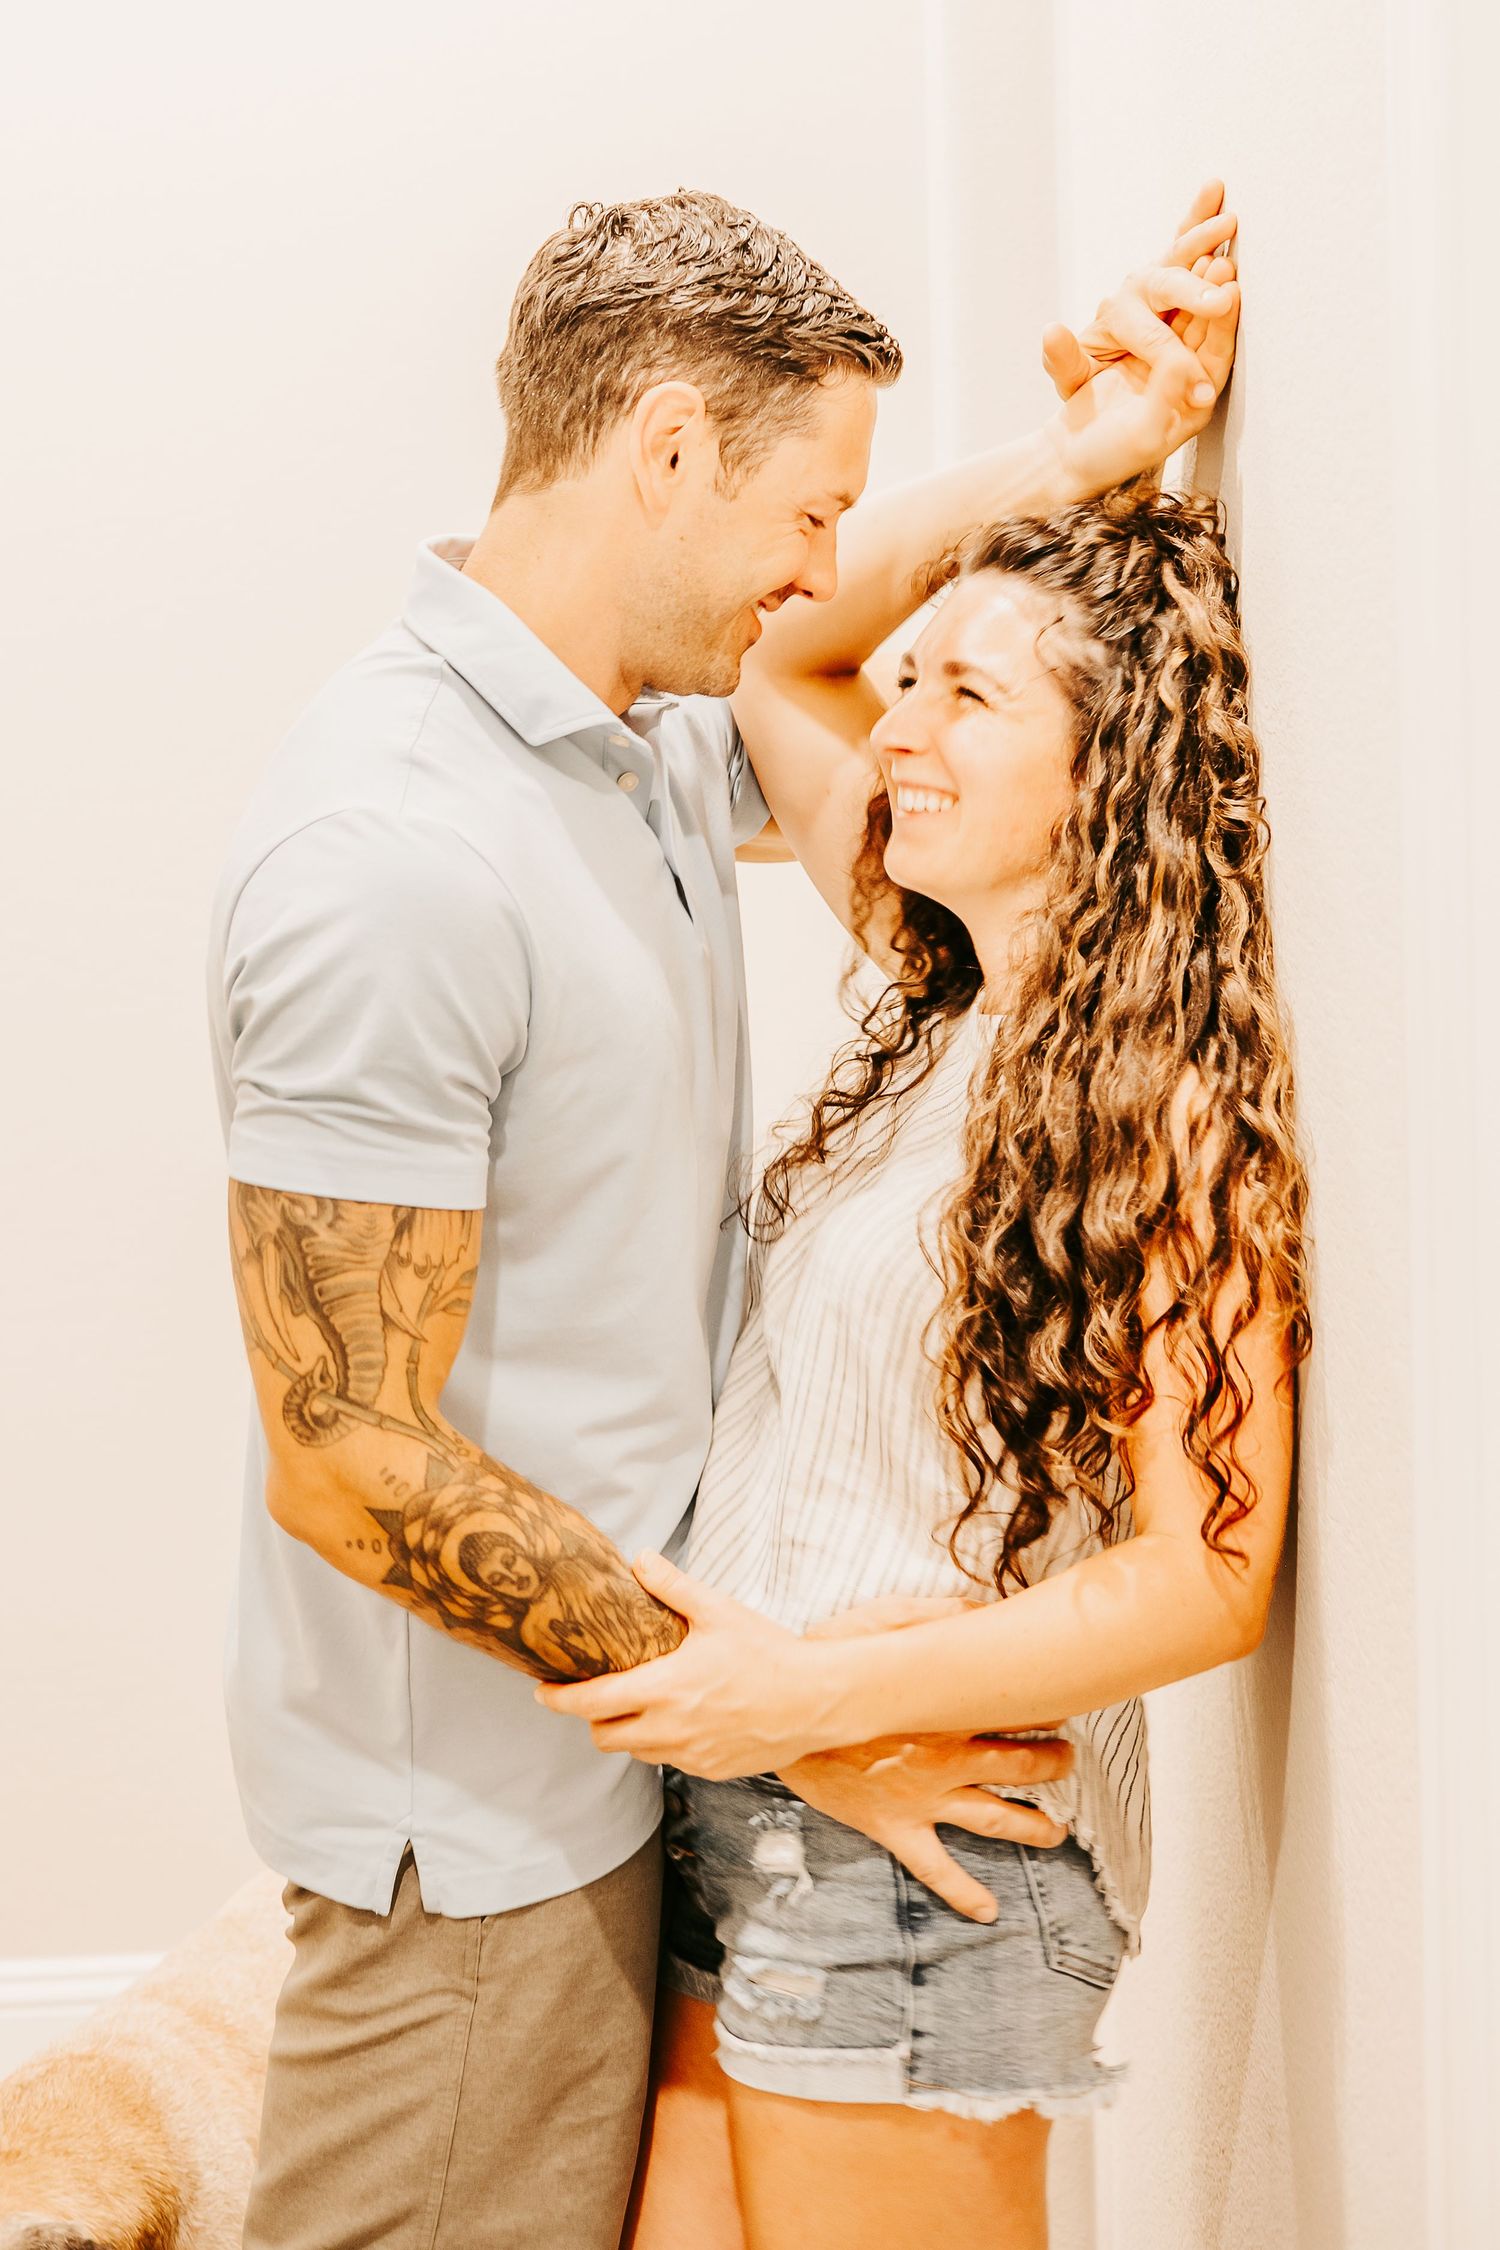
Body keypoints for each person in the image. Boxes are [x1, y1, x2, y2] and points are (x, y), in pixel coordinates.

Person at [210, 185, 1239, 2249]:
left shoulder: (649, 748)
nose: (823, 567)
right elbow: (348, 1451)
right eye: (809, 508)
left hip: (655, 1774)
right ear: (669, 448)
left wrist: (1080, 459)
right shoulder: (399, 854)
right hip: (488, 1831)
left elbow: (845, 662)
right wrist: (782, 1716)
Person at [538, 473, 1310, 2250]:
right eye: (914, 685)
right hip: (757, 1797)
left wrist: (810, 1699)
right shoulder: (943, 998)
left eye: (972, 694)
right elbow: (784, 661)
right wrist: (1090, 446)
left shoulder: (1164, 1110)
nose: (900, 727)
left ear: (1111, 768)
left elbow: (1212, 1572)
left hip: (916, 1865)